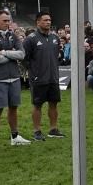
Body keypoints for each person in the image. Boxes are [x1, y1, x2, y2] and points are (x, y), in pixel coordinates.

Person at [0, 10, 31, 152]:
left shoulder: (12, 35)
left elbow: (22, 54)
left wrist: (4, 52)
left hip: (14, 77)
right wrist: (11, 54)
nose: (7, 23)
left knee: (14, 107)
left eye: (9, 20)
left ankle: (15, 136)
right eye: (4, 21)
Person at [22, 12, 65, 140]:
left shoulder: (55, 38)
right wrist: (34, 71)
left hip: (53, 77)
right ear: (38, 22)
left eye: (50, 20)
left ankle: (53, 129)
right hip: (38, 78)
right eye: (45, 20)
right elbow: (24, 58)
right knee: (37, 104)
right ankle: (37, 131)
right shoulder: (31, 39)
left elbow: (57, 55)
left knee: (54, 103)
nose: (48, 22)